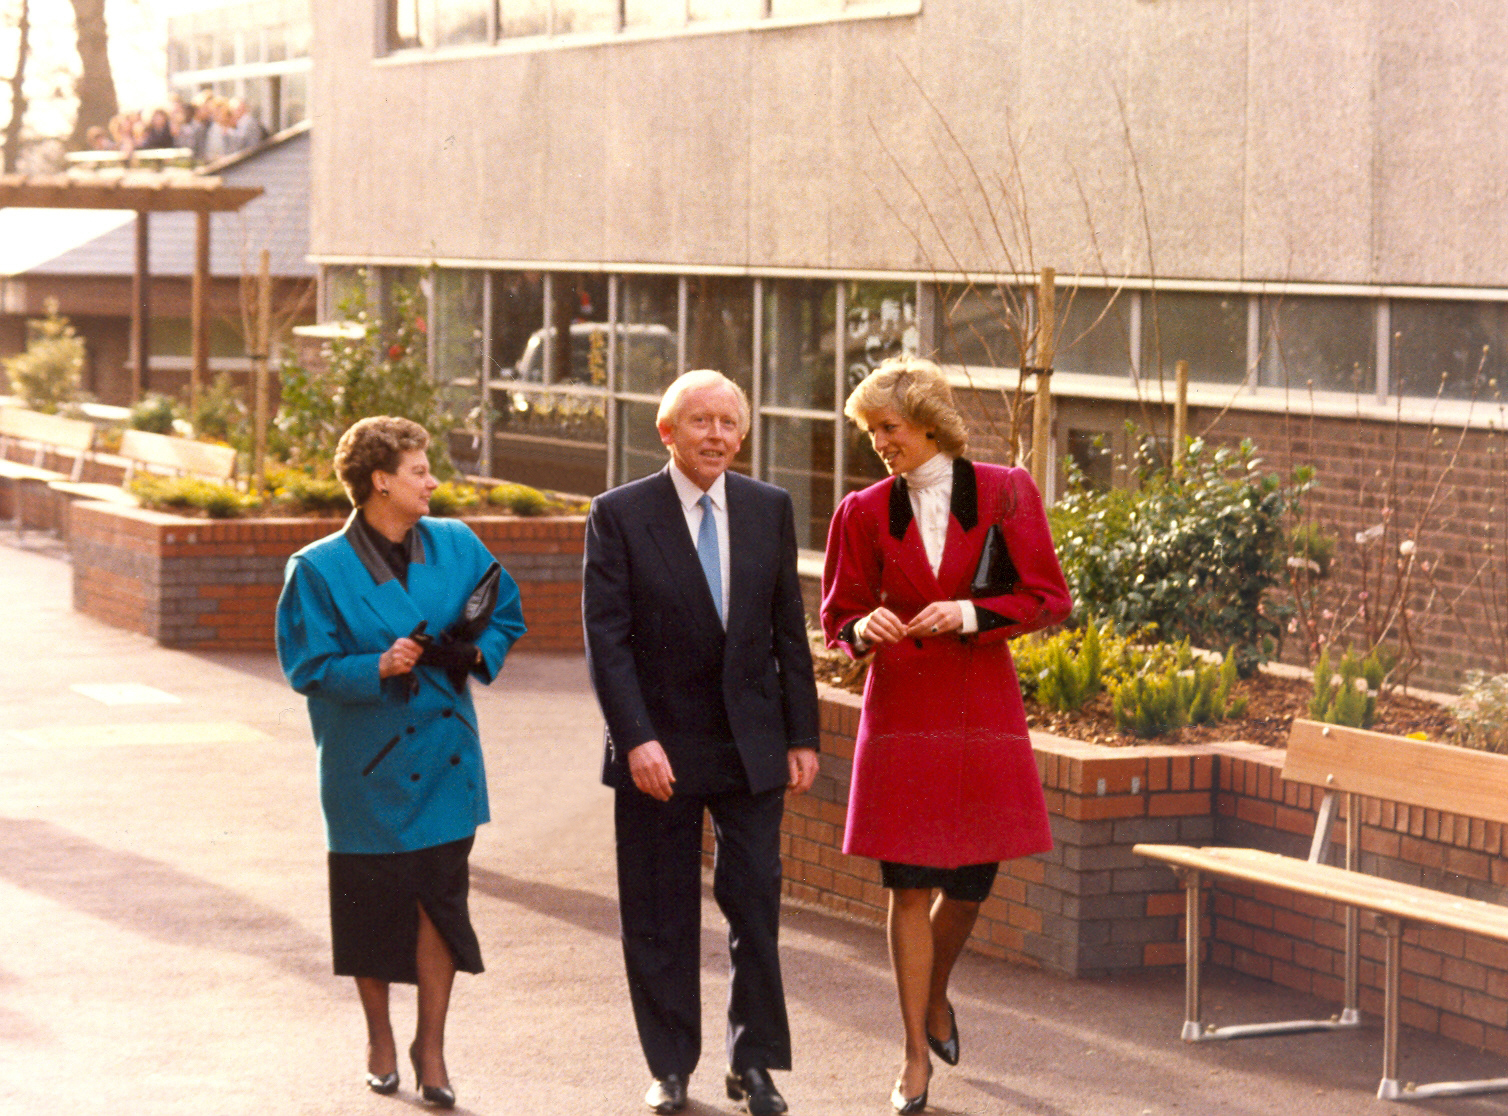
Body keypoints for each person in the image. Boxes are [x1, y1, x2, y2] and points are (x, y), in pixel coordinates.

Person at [820, 357, 1071, 1114]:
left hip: (978, 707)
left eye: (888, 429)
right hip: (901, 710)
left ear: (930, 421)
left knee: (970, 883)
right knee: (906, 882)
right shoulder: (861, 511)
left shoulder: (1004, 491)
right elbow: (837, 618)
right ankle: (910, 1058)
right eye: (871, 433)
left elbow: (1048, 597)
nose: (880, 445)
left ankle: (935, 999)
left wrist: (966, 613)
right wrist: (863, 627)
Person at [582, 370, 821, 1116]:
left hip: (752, 746)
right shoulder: (619, 514)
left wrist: (802, 734)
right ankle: (670, 1064)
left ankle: (753, 1064)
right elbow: (607, 642)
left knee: (755, 903)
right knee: (659, 911)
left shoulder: (768, 508)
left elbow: (788, 631)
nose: (716, 435)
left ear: (742, 435)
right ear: (668, 432)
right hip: (659, 751)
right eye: (700, 422)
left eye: (729, 423)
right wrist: (636, 740)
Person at [276, 416, 526, 1109]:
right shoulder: (317, 568)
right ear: (380, 480)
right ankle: (380, 1038)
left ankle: (433, 1049)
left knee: (438, 907)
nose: (433, 483)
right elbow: (307, 665)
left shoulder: (458, 542)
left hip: (447, 764)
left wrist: (474, 653)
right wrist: (376, 665)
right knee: (369, 909)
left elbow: (505, 615)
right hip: (367, 771)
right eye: (420, 471)